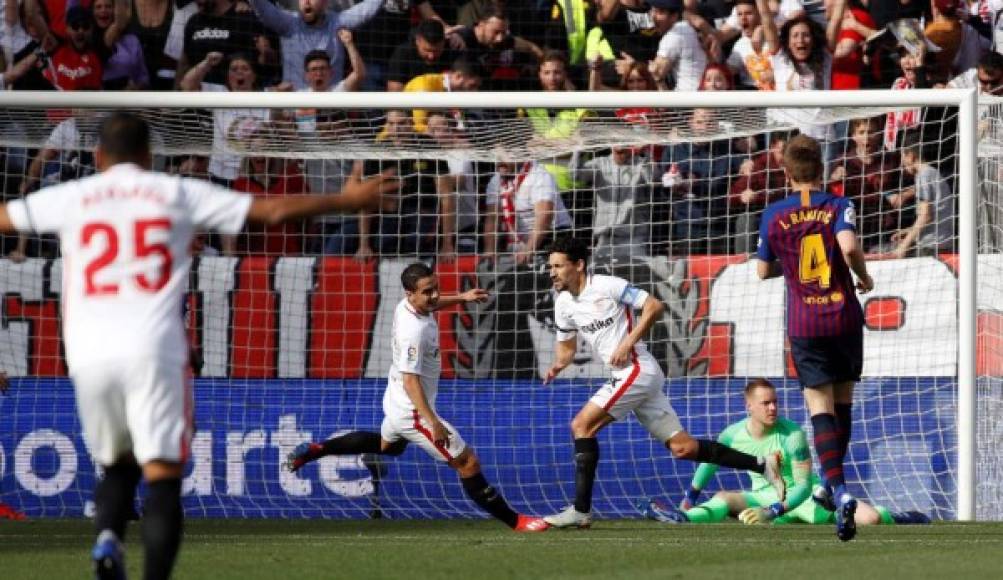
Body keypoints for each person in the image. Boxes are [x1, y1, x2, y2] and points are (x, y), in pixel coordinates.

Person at [0, 112, 394, 579]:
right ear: (149, 156)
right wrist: (346, 200)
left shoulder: (71, 196)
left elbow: (7, 218)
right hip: (155, 347)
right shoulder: (174, 191)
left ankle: (107, 537)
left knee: (116, 464)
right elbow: (271, 212)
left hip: (88, 353)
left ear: (96, 156)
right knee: (162, 476)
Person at [285, 262, 550, 533]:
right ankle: (516, 521)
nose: (434, 296)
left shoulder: (408, 306)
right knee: (467, 462)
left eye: (435, 288)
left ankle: (319, 450)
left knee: (389, 446)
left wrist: (461, 297)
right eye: (427, 292)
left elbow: (433, 305)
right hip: (412, 410)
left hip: (395, 397)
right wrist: (432, 421)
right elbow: (412, 380)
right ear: (409, 293)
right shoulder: (414, 331)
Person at [541, 236, 787, 529]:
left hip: (637, 368)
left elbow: (654, 306)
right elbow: (566, 350)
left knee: (581, 426)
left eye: (558, 266)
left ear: (578, 265)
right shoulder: (563, 304)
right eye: (550, 267)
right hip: (629, 375)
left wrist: (627, 343)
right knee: (683, 448)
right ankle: (762, 464)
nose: (552, 272)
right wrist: (558, 365)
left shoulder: (606, 285)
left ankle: (581, 510)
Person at [754, 134, 875, 542]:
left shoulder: (773, 214)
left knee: (819, 407)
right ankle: (829, 486)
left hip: (805, 323)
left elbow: (761, 270)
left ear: (785, 172)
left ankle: (837, 490)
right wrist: (864, 276)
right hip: (843, 316)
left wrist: (788, 263)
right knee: (843, 403)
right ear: (821, 170)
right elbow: (849, 247)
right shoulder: (839, 204)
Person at [640, 379, 931, 526]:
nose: (773, 408)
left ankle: (901, 517)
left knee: (870, 520)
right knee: (723, 498)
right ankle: (683, 519)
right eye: (765, 403)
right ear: (749, 407)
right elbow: (710, 461)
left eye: (775, 402)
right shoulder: (732, 433)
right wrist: (690, 498)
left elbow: (804, 486)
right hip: (762, 497)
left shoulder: (793, 434)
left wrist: (774, 511)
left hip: (803, 500)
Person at [883, 130, 955, 258]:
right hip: (943, 241)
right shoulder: (933, 173)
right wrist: (908, 230)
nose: (902, 163)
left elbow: (925, 216)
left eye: (902, 157)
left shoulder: (923, 176)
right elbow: (933, 215)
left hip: (932, 245)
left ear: (910, 155)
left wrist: (904, 246)